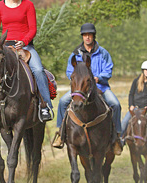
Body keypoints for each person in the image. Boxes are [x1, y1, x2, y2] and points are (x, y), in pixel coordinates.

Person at [51, 23, 123, 155]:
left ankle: (117, 137)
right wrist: (78, 79)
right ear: (82, 37)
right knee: (62, 102)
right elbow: (69, 71)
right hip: (81, 89)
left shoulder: (103, 53)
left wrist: (98, 78)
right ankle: (61, 134)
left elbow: (109, 69)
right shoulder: (75, 54)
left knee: (115, 104)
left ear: (93, 36)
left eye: (89, 35)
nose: (87, 37)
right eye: (85, 35)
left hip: (100, 87)